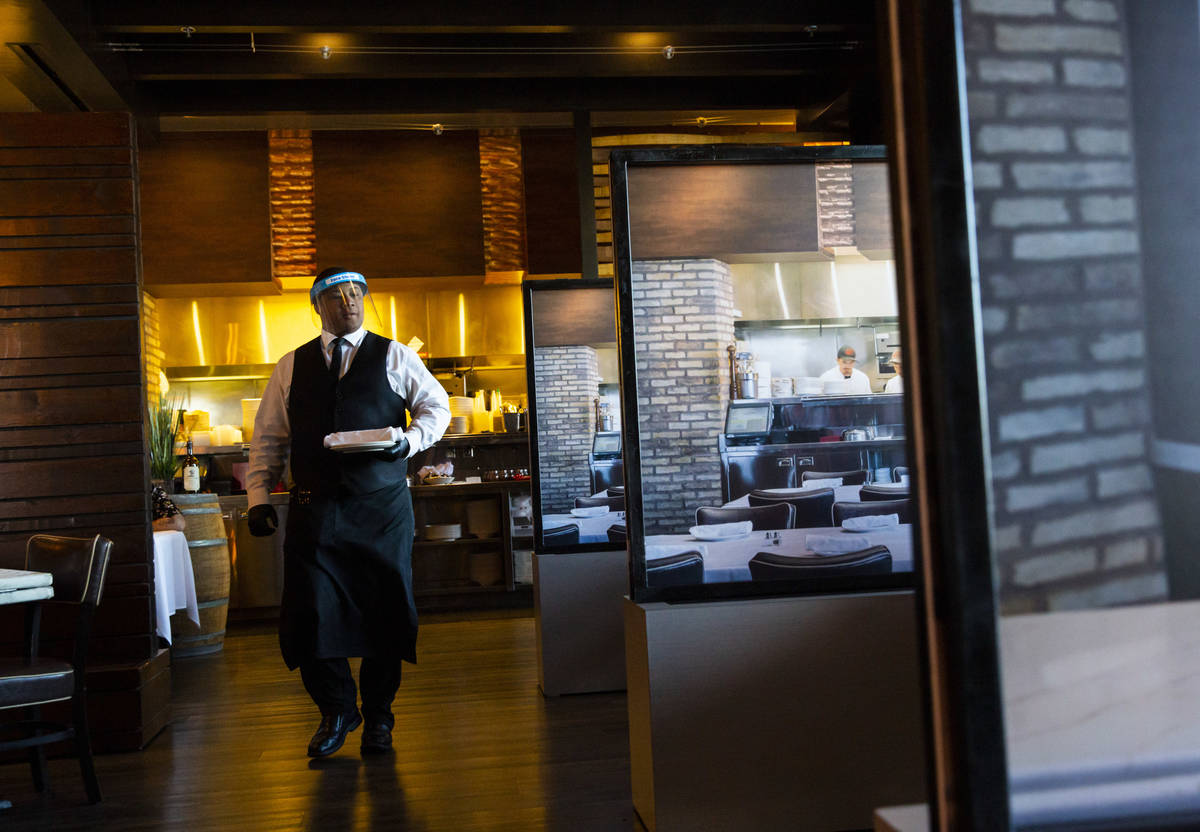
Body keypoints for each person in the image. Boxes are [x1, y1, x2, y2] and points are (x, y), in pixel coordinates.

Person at [244, 267, 450, 758]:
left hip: (381, 510)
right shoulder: (290, 366)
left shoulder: (396, 355)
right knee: (310, 615)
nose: (350, 303)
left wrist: (408, 441)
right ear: (318, 306)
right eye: (337, 296)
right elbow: (269, 438)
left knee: (385, 615)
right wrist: (257, 498)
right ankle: (337, 710)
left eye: (357, 294)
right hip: (315, 510)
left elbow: (436, 408)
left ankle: (379, 718)